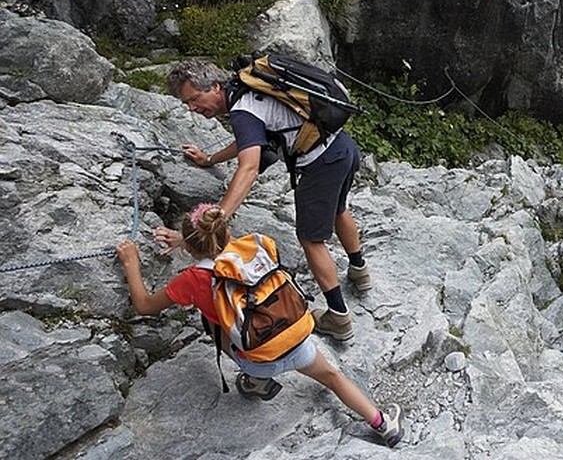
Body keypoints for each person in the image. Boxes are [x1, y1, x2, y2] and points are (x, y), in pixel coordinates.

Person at [117, 204, 403, 447]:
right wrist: (188, 240)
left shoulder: (192, 280)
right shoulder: (253, 247)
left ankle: (256, 381)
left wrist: (132, 263)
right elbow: (217, 243)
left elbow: (143, 305)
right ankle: (382, 424)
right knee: (333, 377)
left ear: (190, 248)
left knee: (214, 320)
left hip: (255, 358)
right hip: (296, 339)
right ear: (227, 232)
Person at [163, 60, 367, 342]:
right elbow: (249, 141)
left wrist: (218, 216)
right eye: (187, 103)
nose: (192, 108)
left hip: (320, 162)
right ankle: (359, 271)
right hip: (342, 147)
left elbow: (248, 167)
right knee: (338, 209)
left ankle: (338, 317)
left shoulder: (243, 107)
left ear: (214, 87)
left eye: (195, 99)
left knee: (310, 239)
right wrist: (209, 159)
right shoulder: (247, 91)